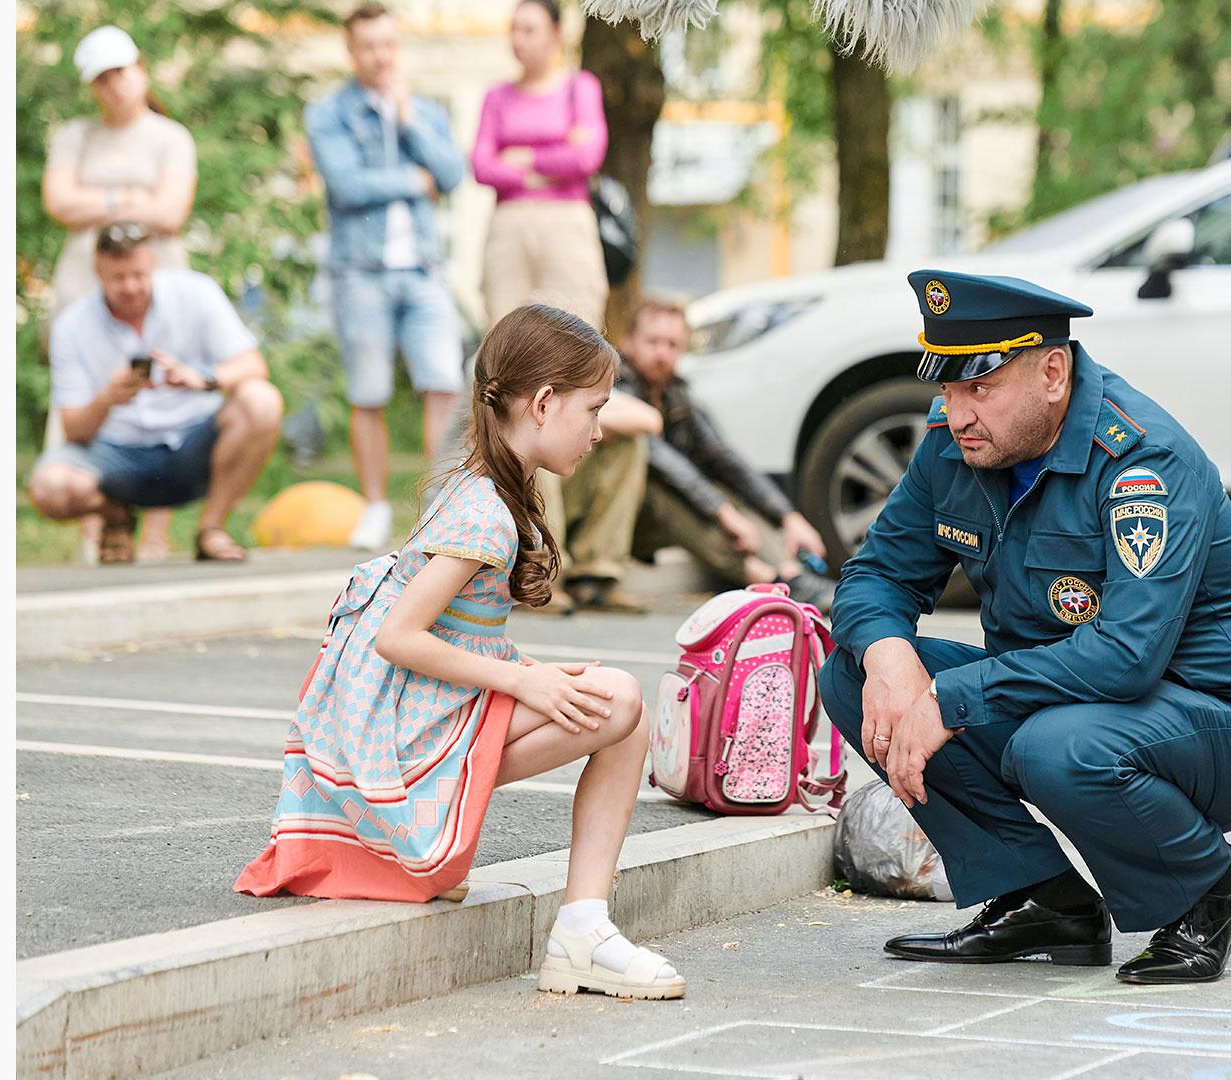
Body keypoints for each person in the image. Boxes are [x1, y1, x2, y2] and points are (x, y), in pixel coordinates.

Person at [820, 269, 1231, 985]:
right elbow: (875, 575)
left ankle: (1211, 887)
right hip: (1067, 702)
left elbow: (1126, 657)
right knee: (855, 669)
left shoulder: (1143, 461)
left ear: (1052, 372)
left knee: (1054, 747)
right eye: (948, 387)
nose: (957, 413)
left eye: (979, 387)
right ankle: (1044, 901)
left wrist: (950, 700)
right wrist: (893, 665)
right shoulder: (955, 445)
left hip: (1223, 726)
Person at [235, 304, 685, 1002]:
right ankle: (580, 931)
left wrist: (529, 674)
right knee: (619, 697)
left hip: (413, 719)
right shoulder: (486, 511)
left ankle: (585, 924)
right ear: (541, 404)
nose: (599, 431)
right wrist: (521, 682)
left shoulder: (483, 486)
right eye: (592, 410)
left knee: (613, 701)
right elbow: (400, 636)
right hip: (401, 744)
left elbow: (450, 633)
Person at [307, 2, 469, 551]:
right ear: (351, 51)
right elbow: (347, 187)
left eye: (388, 44)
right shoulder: (329, 114)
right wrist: (411, 178)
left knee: (442, 384)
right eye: (368, 46)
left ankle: (439, 505)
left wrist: (408, 123)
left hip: (423, 269)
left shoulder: (423, 110)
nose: (380, 56)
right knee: (368, 392)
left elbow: (450, 174)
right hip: (361, 272)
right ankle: (375, 506)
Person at [26, 222, 285, 564]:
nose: (131, 286)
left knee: (261, 400)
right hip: (117, 454)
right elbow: (74, 429)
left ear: (153, 264)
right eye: (118, 278)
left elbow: (252, 364)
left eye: (139, 274)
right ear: (98, 272)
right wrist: (108, 398)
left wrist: (202, 379)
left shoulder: (196, 292)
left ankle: (211, 528)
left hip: (193, 442)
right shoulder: (72, 326)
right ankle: (115, 514)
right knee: (49, 488)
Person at [41, 25, 199, 562]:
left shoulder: (170, 137)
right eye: (102, 78)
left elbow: (171, 214)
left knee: (159, 394)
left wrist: (97, 201)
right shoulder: (73, 136)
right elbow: (58, 203)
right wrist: (133, 197)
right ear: (92, 85)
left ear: (141, 69)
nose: (115, 85)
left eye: (121, 71)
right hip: (82, 286)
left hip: (156, 283)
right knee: (88, 394)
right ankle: (101, 523)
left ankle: (155, 531)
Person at [595, 297, 836, 610]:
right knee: (666, 490)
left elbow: (724, 459)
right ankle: (768, 577)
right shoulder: (615, 388)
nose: (662, 353)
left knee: (720, 489)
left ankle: (790, 573)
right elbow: (663, 463)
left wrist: (788, 516)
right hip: (616, 518)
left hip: (657, 517)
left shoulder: (675, 394)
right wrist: (724, 513)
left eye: (672, 344)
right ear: (627, 342)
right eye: (653, 341)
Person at [469, 0, 609, 328]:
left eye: (529, 30)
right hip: (509, 226)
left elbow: (587, 157)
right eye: (514, 30)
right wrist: (553, 164)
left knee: (576, 330)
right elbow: (481, 165)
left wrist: (525, 158)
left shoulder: (580, 88)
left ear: (556, 33)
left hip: (567, 223)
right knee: (505, 330)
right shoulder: (496, 97)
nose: (518, 40)